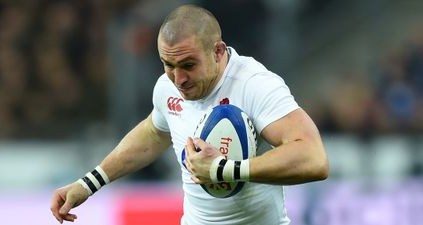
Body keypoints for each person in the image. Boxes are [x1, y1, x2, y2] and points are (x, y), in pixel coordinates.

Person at [50, 4, 329, 225]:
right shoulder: (167, 87)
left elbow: (313, 158)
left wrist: (223, 170)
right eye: (168, 64)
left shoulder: (254, 84)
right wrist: (88, 183)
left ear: (218, 51)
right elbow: (152, 133)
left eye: (188, 64)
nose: (178, 78)